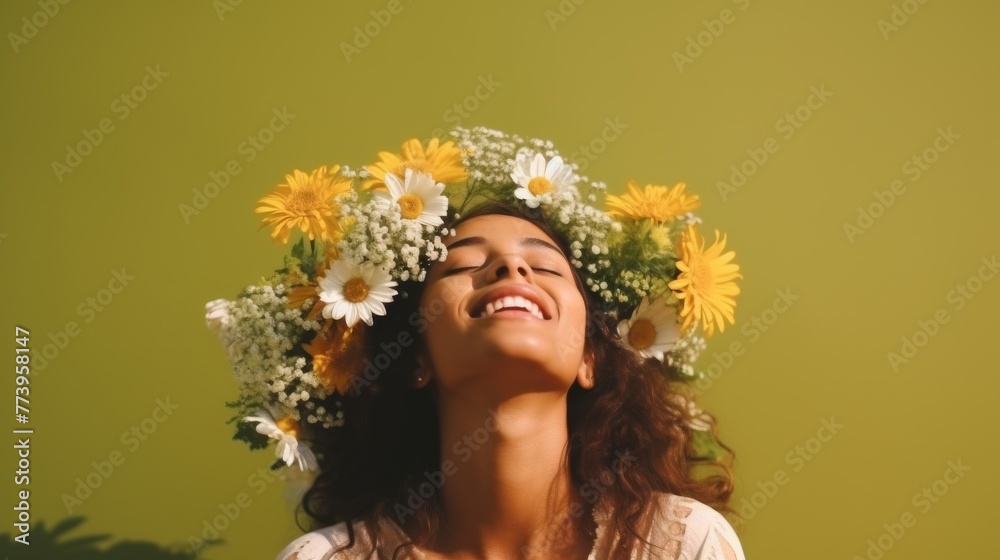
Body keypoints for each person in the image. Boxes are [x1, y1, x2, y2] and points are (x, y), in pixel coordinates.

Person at [208, 128, 745, 560]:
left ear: (590, 358)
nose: (511, 267)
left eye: (543, 266)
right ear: (415, 357)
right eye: (464, 263)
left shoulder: (681, 544)